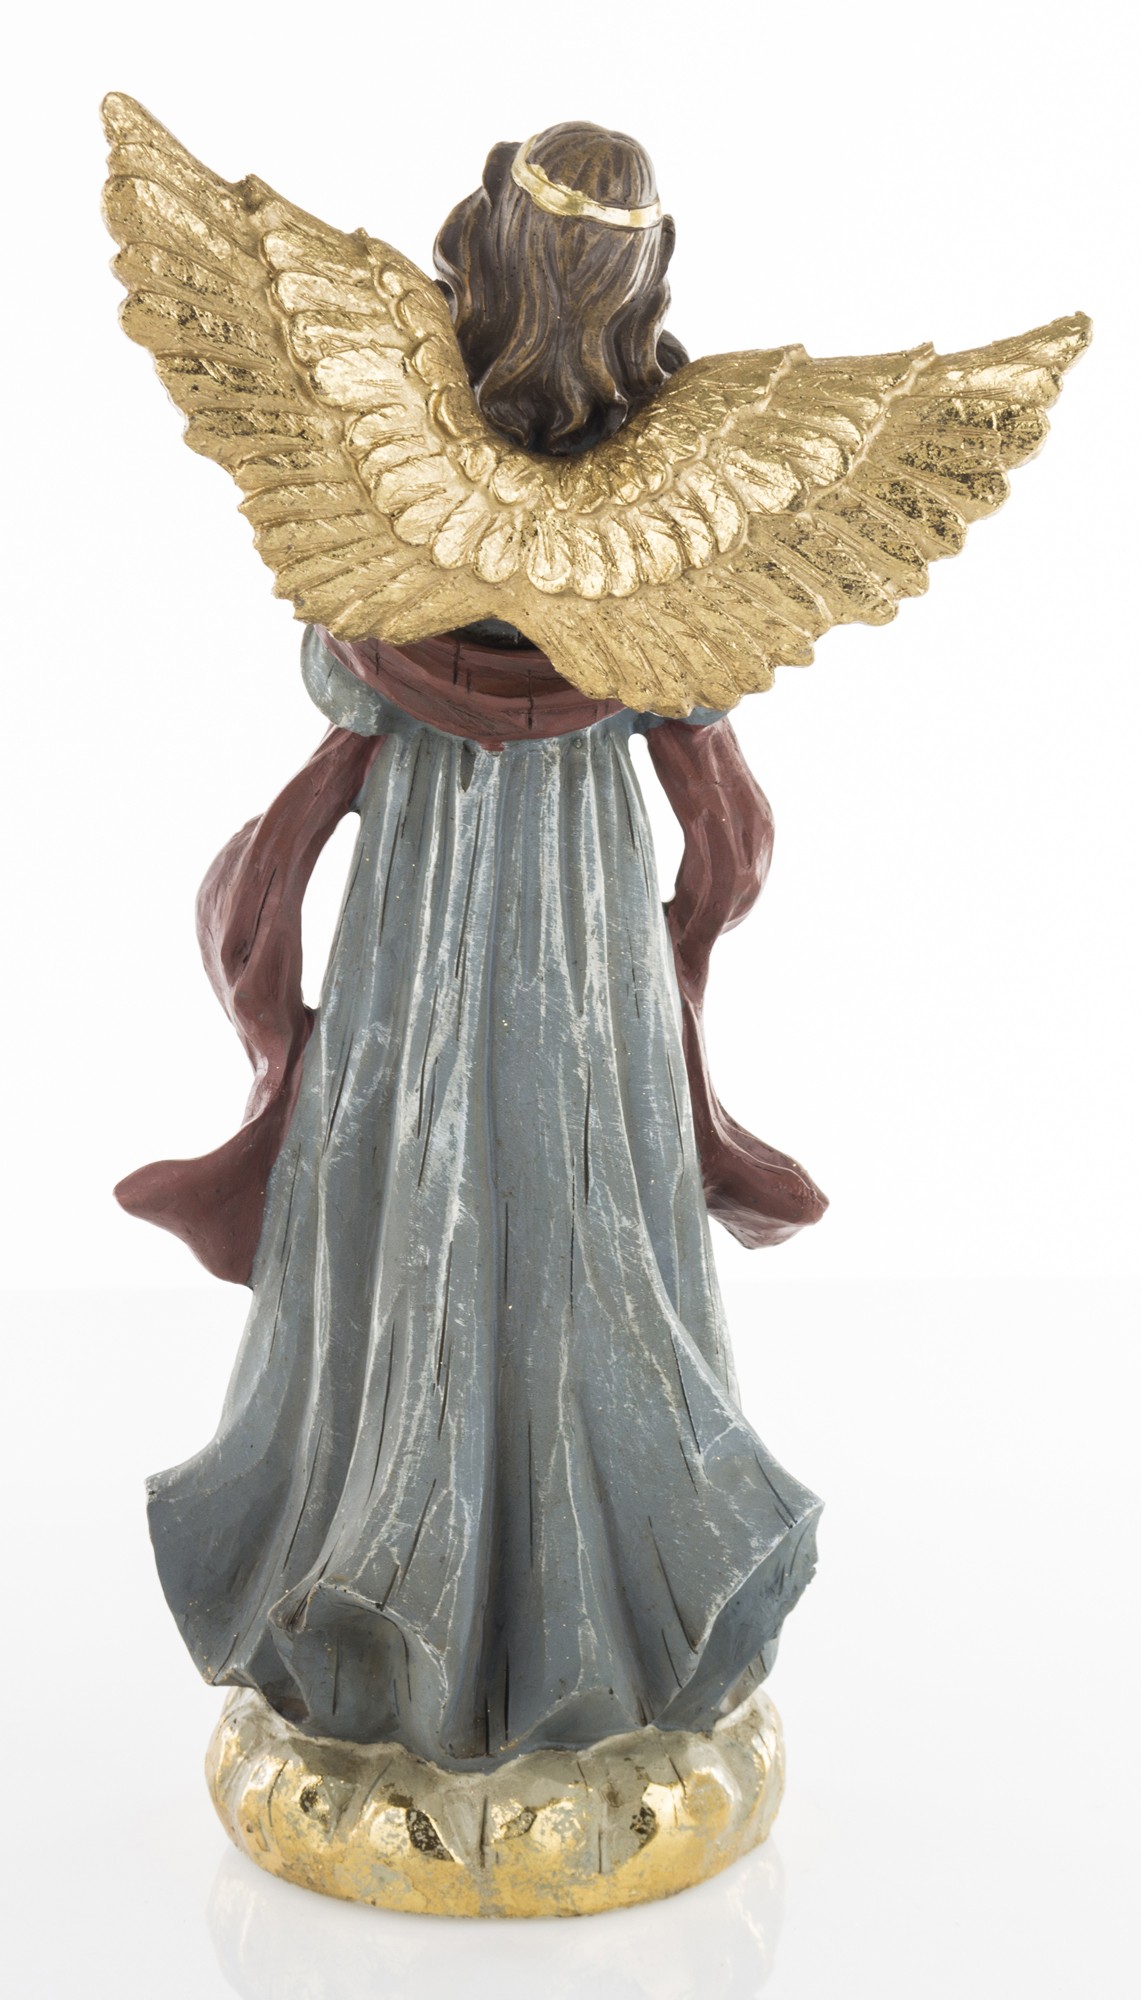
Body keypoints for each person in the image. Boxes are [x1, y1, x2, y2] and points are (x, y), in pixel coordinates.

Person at [120, 123, 825, 1768]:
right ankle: (519, 1597)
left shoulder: (399, 464)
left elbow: (345, 663)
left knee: (445, 1168)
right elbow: (696, 708)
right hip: (565, 891)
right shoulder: (668, 510)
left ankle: (440, 1574)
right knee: (550, 1181)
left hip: (437, 880)